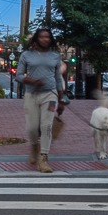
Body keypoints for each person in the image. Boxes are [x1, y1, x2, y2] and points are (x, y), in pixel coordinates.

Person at [14, 27, 67, 172]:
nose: (45, 39)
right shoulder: (26, 55)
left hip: (50, 94)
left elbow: (57, 78)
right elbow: (18, 76)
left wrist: (61, 99)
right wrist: (30, 81)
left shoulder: (55, 56)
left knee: (46, 126)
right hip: (31, 94)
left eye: (48, 37)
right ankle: (34, 147)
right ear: (36, 39)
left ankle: (43, 159)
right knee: (32, 128)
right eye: (42, 37)